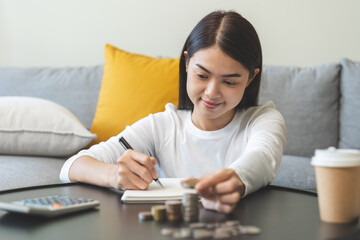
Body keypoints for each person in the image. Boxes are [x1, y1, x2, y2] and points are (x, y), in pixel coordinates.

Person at [60, 10, 286, 213]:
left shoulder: (263, 121)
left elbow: (263, 157)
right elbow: (72, 166)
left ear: (251, 78)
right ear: (187, 63)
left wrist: (235, 179)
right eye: (202, 76)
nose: (212, 92)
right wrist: (113, 175)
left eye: (229, 82)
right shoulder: (161, 126)